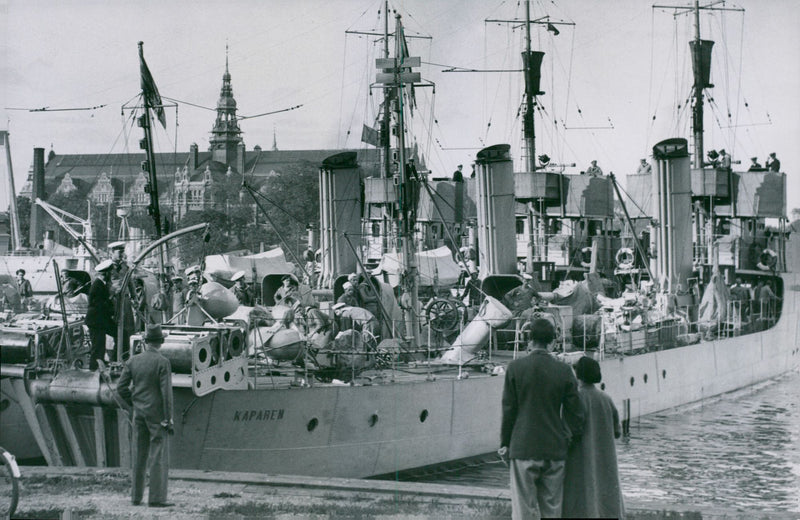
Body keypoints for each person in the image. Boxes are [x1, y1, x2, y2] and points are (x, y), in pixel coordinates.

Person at [499, 318, 584, 520]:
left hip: (523, 447)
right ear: (552, 342)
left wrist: (505, 443)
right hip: (554, 448)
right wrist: (569, 435)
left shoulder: (514, 368)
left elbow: (509, 410)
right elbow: (576, 413)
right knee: (553, 510)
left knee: (523, 512)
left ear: (529, 340)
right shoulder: (564, 370)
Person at [116, 323, 174, 508]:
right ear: (161, 342)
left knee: (139, 454)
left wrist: (133, 402)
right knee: (157, 455)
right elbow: (166, 394)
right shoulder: (163, 362)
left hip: (138, 412)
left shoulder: (133, 361)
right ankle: (156, 498)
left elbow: (120, 388)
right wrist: (168, 418)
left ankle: (136, 497)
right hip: (157, 414)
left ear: (146, 341)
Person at [562, 356, 625, 519]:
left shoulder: (575, 399)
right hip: (605, 456)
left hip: (580, 457)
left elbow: (567, 431)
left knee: (579, 497)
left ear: (578, 375)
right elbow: (617, 431)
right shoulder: (606, 398)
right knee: (605, 495)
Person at [85, 260, 116, 370]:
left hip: (100, 320)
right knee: (97, 346)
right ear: (105, 274)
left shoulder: (101, 284)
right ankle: (93, 368)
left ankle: (103, 362)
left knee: (102, 343)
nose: (111, 276)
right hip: (95, 320)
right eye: (110, 273)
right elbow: (99, 305)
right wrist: (111, 298)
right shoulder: (97, 286)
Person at [109, 241, 135, 360]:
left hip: (125, 301)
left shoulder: (126, 267)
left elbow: (131, 283)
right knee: (116, 330)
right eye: (119, 252)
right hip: (114, 301)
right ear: (112, 253)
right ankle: (115, 356)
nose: (121, 254)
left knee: (128, 329)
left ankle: (126, 355)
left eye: (122, 252)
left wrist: (135, 298)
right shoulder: (107, 268)